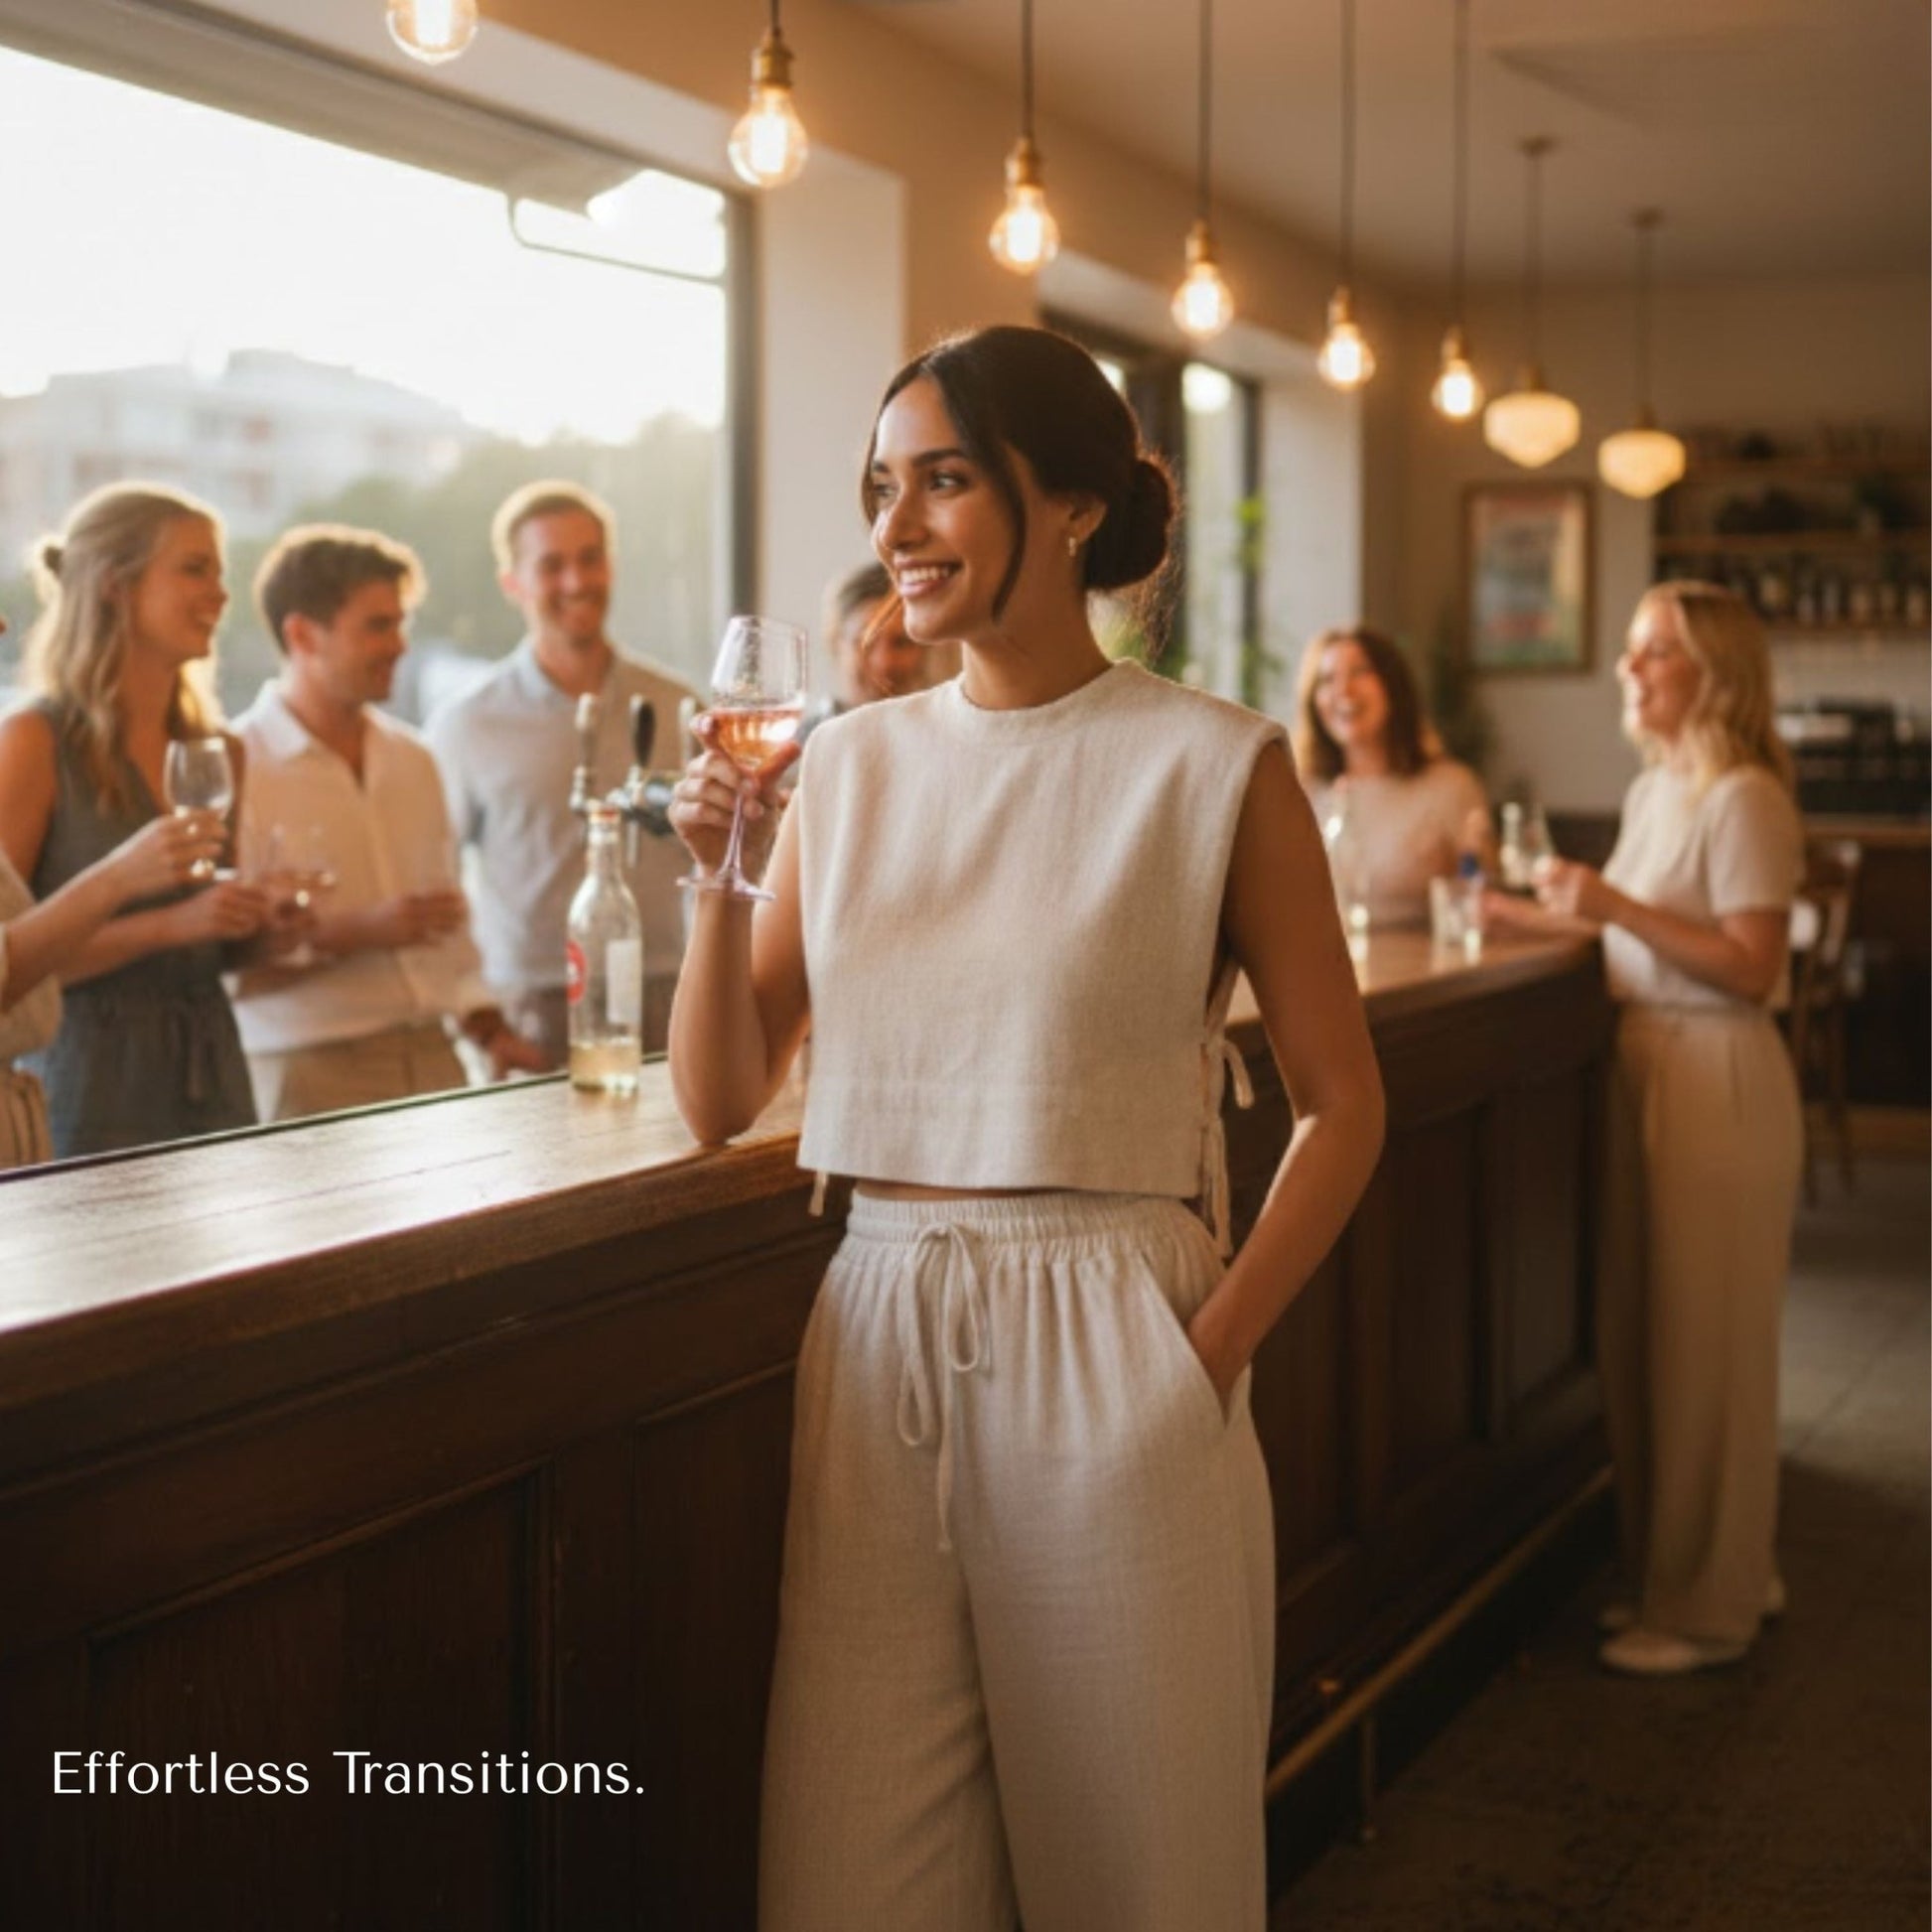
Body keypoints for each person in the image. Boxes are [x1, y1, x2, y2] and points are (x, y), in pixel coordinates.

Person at [668, 326, 1386, 1931]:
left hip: (1114, 1326)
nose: (894, 527)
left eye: (940, 480)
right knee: (851, 1878)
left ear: (1065, 504)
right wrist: (712, 878)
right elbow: (718, 1094)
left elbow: (1346, 1106)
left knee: (1141, 1884)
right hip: (871, 1324)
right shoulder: (842, 770)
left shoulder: (1210, 765)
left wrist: (1195, 1362)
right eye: (879, 488)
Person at [1486, 581, 1804, 1677]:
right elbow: (1626, 933)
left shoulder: (1741, 795)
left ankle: (1707, 1605)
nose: (1627, 670)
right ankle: (1718, 1569)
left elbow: (1750, 964)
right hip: (1649, 1060)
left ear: (1709, 670)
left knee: (1704, 1347)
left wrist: (1608, 905)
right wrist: (1509, 913)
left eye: (1650, 651)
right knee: (1659, 1338)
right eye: (1626, 650)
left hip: (1713, 1072)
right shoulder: (1656, 788)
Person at [230, 526, 547, 1123]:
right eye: (377, 626)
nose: (401, 645)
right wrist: (355, 931)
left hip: (434, 1063)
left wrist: (490, 1030)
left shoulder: (415, 759)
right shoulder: (239, 764)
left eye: (400, 623)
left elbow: (447, 926)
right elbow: (225, 967)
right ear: (302, 635)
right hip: (306, 1075)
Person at [0, 484, 279, 1159]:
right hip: (92, 1086)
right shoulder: (35, 742)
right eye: (194, 568)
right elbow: (12, 963)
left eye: (219, 571)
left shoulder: (221, 750)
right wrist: (167, 920)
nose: (219, 593)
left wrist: (261, 925)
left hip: (212, 1071)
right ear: (114, 586)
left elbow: (215, 944)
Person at [426, 482, 700, 1064]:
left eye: (590, 559)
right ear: (513, 584)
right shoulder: (467, 722)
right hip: (533, 1004)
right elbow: (433, 883)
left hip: (665, 989)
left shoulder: (678, 705)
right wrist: (486, 1026)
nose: (576, 581)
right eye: (551, 566)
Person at [1292, 624, 1492, 926]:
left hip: (1424, 968)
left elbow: (1482, 895)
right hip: (1323, 967)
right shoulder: (1300, 790)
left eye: (1359, 672)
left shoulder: (1450, 786)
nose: (1343, 691)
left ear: (1393, 687)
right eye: (1327, 679)